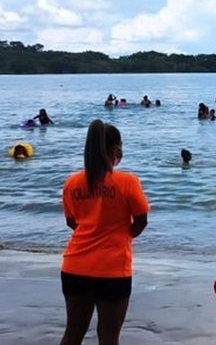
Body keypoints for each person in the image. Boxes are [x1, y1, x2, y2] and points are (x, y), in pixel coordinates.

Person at [60, 120, 149, 345]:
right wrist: (121, 235)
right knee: (109, 336)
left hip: (74, 266)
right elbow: (140, 221)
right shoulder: (127, 182)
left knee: (72, 334)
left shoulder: (72, 183)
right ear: (116, 149)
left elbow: (73, 222)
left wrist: (93, 230)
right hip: (113, 269)